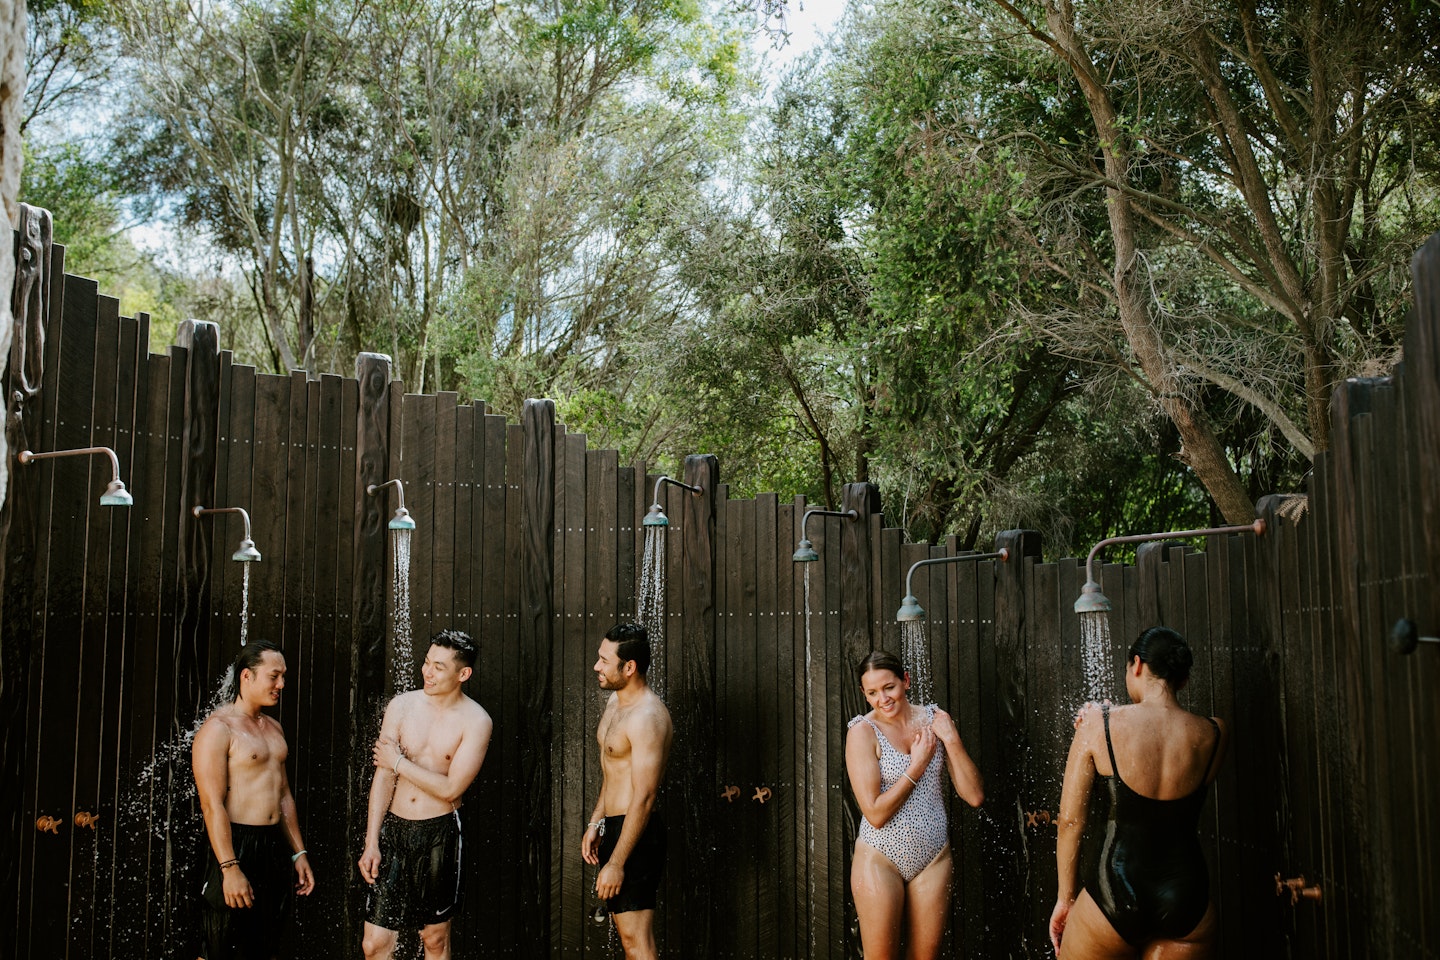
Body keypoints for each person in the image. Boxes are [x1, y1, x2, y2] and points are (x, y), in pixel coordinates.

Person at [1049, 626, 1229, 959]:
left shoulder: (1097, 725)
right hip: (1187, 898)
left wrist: (1065, 898)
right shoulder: (1216, 733)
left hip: (1114, 896)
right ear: (1183, 679)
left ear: (1136, 665)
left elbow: (1070, 822)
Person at [360, 630, 493, 960]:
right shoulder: (401, 706)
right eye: (426, 662)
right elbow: (383, 775)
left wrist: (399, 762)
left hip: (440, 833)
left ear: (463, 674)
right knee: (373, 943)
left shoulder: (476, 721)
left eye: (438, 667)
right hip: (395, 830)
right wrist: (371, 841)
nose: (427, 672)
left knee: (434, 939)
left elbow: (451, 789)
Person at [844, 650, 984, 960]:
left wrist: (952, 740)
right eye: (872, 692)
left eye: (889, 687)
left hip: (933, 857)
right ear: (864, 694)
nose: (883, 698)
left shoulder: (935, 720)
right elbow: (875, 813)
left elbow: (974, 796)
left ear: (906, 681)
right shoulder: (862, 733)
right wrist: (917, 765)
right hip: (880, 858)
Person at [192, 639, 316, 960]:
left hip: (272, 847)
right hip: (234, 845)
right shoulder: (218, 730)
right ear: (247, 676)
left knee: (264, 948)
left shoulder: (274, 728)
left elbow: (283, 794)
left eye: (283, 676)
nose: (282, 684)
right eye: (274, 676)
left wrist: (298, 851)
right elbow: (211, 804)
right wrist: (229, 868)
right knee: (219, 949)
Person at [581, 623, 673, 960]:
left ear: (629, 667)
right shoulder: (615, 705)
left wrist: (618, 861)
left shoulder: (647, 717)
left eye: (605, 661)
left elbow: (645, 797)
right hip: (615, 827)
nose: (597, 666)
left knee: (637, 943)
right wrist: (596, 822)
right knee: (627, 938)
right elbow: (613, 773)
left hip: (637, 833)